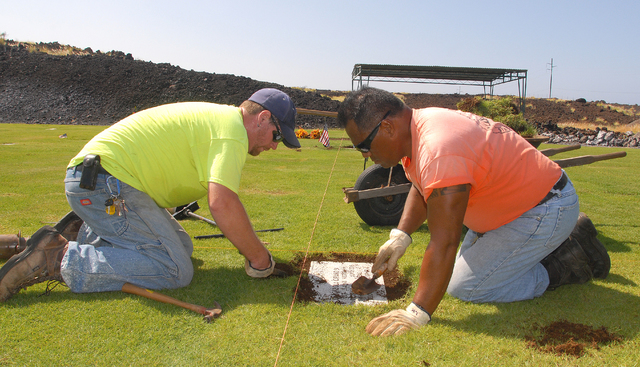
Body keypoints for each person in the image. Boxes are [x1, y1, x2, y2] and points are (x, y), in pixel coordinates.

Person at [337, 87, 611, 337]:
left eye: (363, 145)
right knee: (459, 273)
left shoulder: (439, 148)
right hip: (515, 211)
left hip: (543, 208)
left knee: (467, 286)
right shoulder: (419, 127)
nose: (364, 154)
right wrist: (401, 236)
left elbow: (444, 241)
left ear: (387, 127)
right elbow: (422, 186)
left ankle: (567, 261)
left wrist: (416, 312)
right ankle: (553, 245)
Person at [0, 88, 300, 302]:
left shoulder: (222, 121)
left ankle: (72, 237)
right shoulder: (232, 132)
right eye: (277, 136)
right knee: (174, 268)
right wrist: (261, 260)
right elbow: (221, 203)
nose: (274, 146)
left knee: (182, 245)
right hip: (105, 184)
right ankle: (59, 258)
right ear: (261, 118)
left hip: (99, 181)